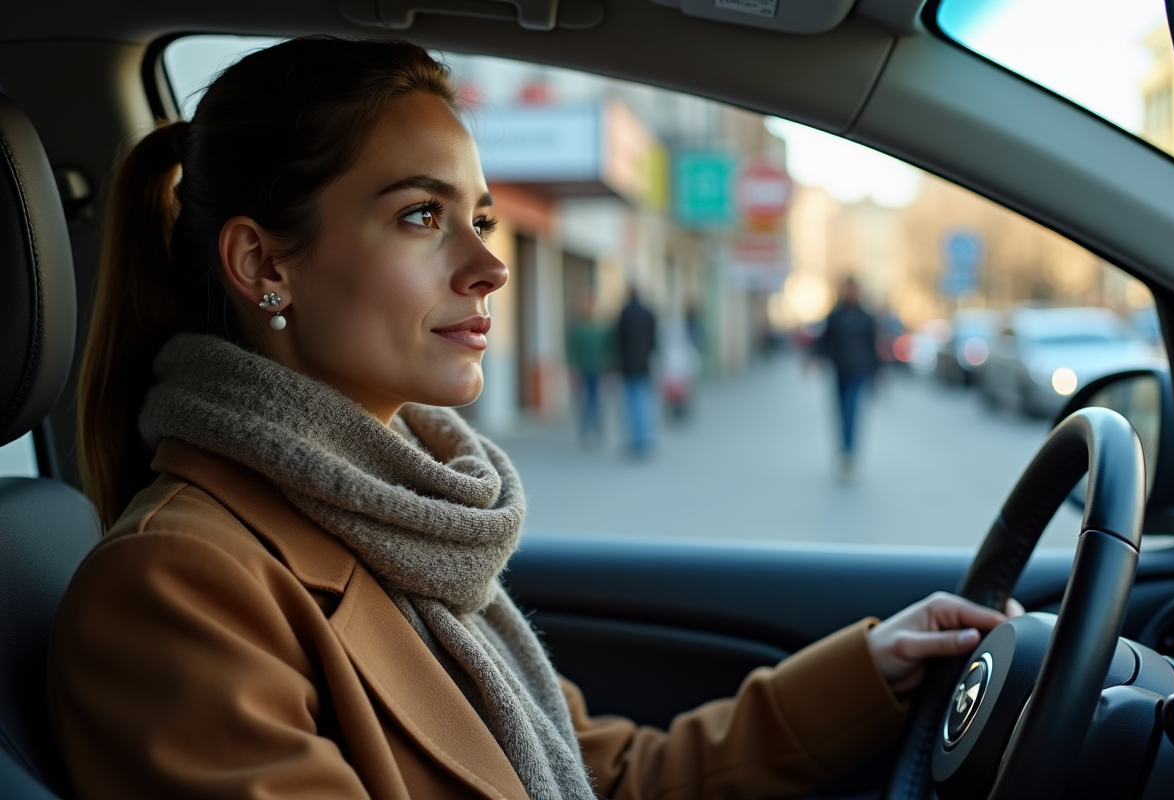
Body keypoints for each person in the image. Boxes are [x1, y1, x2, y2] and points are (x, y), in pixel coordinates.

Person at [53, 37, 1018, 800]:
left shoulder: (409, 521)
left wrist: (875, 670)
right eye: (421, 216)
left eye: (480, 217)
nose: (489, 266)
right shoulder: (177, 585)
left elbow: (603, 777)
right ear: (265, 266)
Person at [813, 277, 880, 476]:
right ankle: (844, 450)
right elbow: (825, 341)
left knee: (852, 409)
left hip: (859, 371)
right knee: (841, 412)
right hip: (840, 371)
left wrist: (877, 373)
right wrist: (815, 357)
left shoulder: (866, 318)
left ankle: (850, 453)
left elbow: (873, 346)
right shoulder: (835, 316)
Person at [614, 288, 657, 455]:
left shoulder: (625, 313)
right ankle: (644, 438)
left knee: (632, 403)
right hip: (644, 365)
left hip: (628, 366)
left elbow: (618, 341)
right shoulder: (648, 313)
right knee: (644, 401)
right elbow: (654, 340)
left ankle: (636, 439)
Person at [565, 287, 608, 444]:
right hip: (583, 369)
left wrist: (608, 369)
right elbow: (572, 350)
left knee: (596, 401)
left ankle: (597, 431)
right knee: (584, 402)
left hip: (597, 369)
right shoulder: (578, 327)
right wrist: (573, 370)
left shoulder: (600, 326)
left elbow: (607, 349)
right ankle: (585, 432)